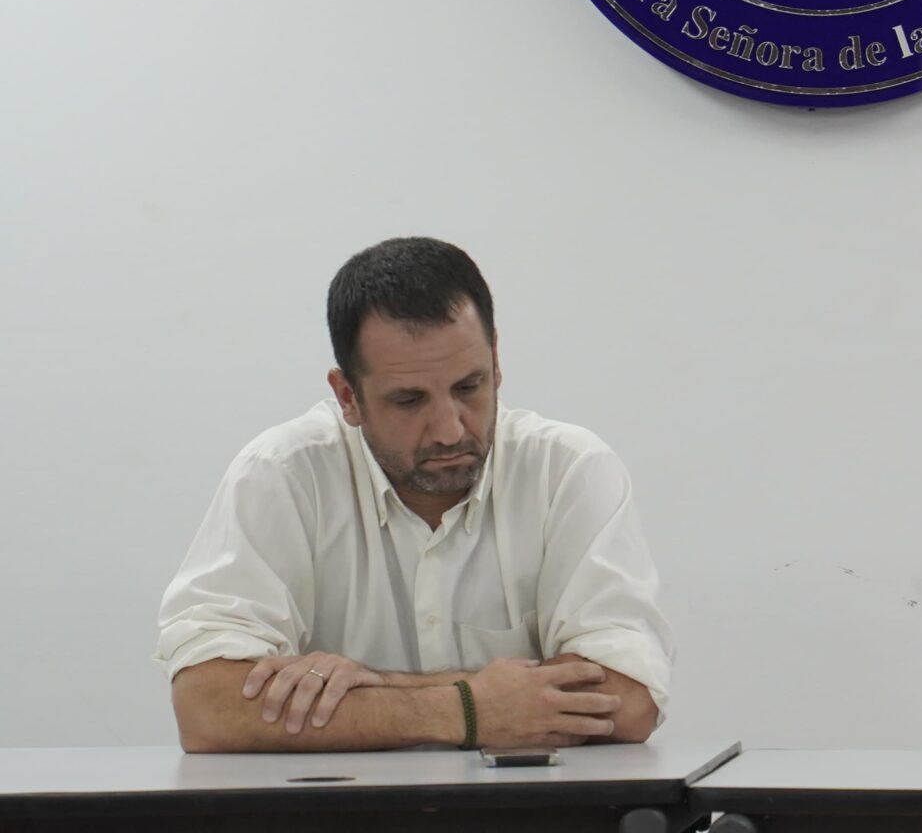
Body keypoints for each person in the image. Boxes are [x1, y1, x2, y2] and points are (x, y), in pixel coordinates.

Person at [158, 237, 673, 752]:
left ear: (496, 362)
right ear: (347, 396)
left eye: (469, 387)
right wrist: (471, 708)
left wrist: (378, 687)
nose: (450, 430)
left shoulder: (568, 470)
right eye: (409, 400)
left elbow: (630, 699)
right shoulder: (282, 474)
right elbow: (207, 707)